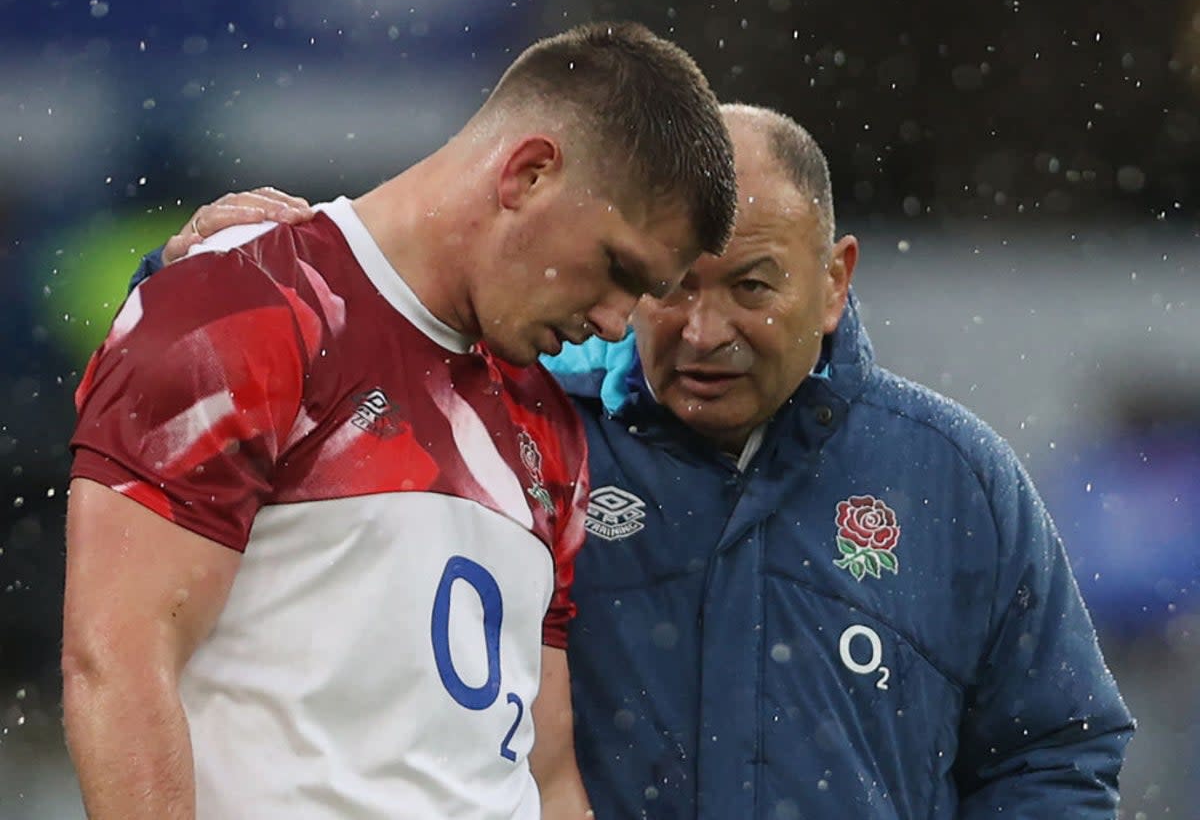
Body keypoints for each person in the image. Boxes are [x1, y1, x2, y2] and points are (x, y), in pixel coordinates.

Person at [140, 105, 1134, 818]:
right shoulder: (517, 422)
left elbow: (1054, 746)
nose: (705, 331)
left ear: (835, 283)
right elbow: (304, 380)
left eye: (753, 286)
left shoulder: (954, 478)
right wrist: (202, 283)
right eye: (672, 286)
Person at [62, 21, 737, 820]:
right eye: (618, 269)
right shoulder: (248, 307)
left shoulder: (545, 421)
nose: (620, 322)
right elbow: (118, 660)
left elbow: (546, 773)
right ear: (528, 173)